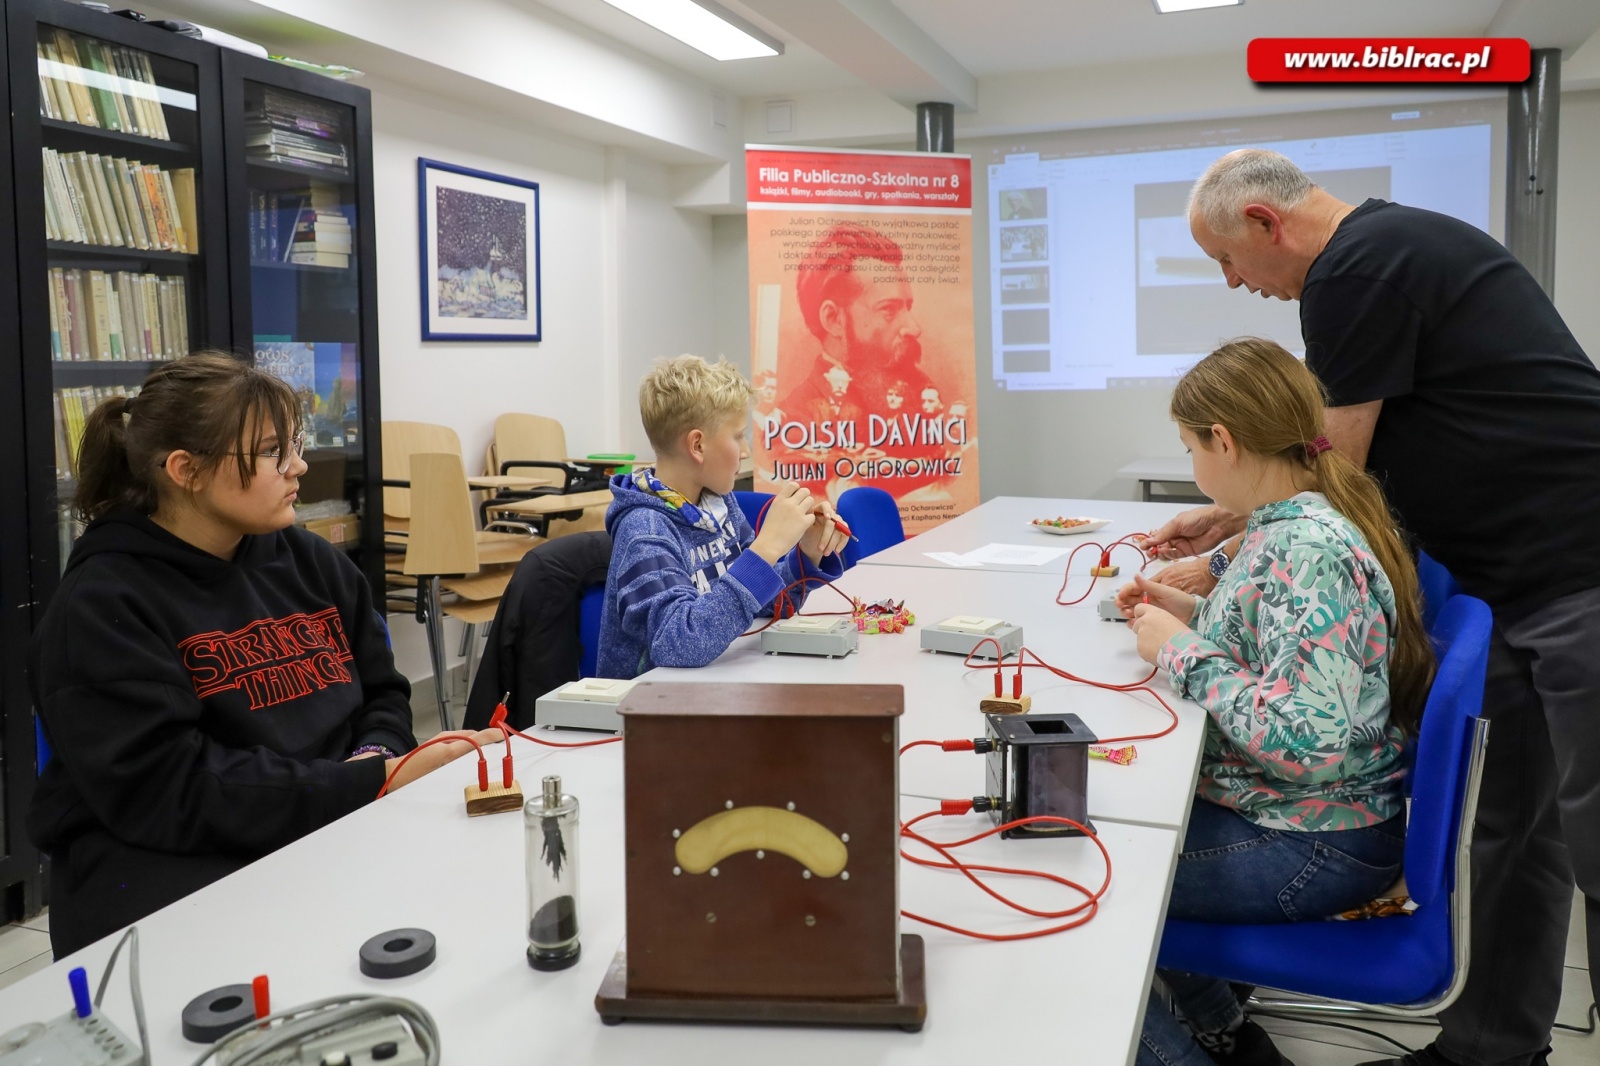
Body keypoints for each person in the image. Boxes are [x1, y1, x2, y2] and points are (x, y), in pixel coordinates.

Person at [1143, 148, 1600, 1066]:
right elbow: (1318, 469)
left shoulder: (1355, 268)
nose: (1235, 283)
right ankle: (1492, 1052)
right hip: (1516, 581)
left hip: (1576, 570)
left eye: (1228, 259)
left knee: (1575, 845)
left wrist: (1229, 556)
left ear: (1268, 226)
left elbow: (1326, 469)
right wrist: (1231, 535)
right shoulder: (1394, 247)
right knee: (1513, 837)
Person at [28, 353, 497, 957]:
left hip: (332, 822)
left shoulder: (309, 561)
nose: (300, 465)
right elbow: (176, 792)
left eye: (295, 444)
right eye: (274, 452)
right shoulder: (101, 607)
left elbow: (383, 690)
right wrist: (369, 783)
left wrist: (378, 759)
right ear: (184, 470)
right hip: (182, 867)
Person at [1124, 338, 1431, 1066]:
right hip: (1306, 818)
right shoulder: (1293, 526)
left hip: (1316, 841)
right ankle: (1222, 1034)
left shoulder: (1307, 550)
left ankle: (1190, 1046)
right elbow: (1286, 654)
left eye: (1189, 445)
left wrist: (1180, 649)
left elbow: (1311, 743)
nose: (1192, 462)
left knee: (1096, 885)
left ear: (1222, 441)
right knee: (1114, 832)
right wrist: (1188, 617)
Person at [598, 355, 846, 679]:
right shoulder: (646, 529)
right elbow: (680, 644)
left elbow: (760, 603)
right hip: (651, 713)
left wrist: (807, 552)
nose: (746, 451)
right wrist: (766, 549)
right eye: (738, 436)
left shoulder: (718, 503)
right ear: (698, 445)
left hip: (714, 689)